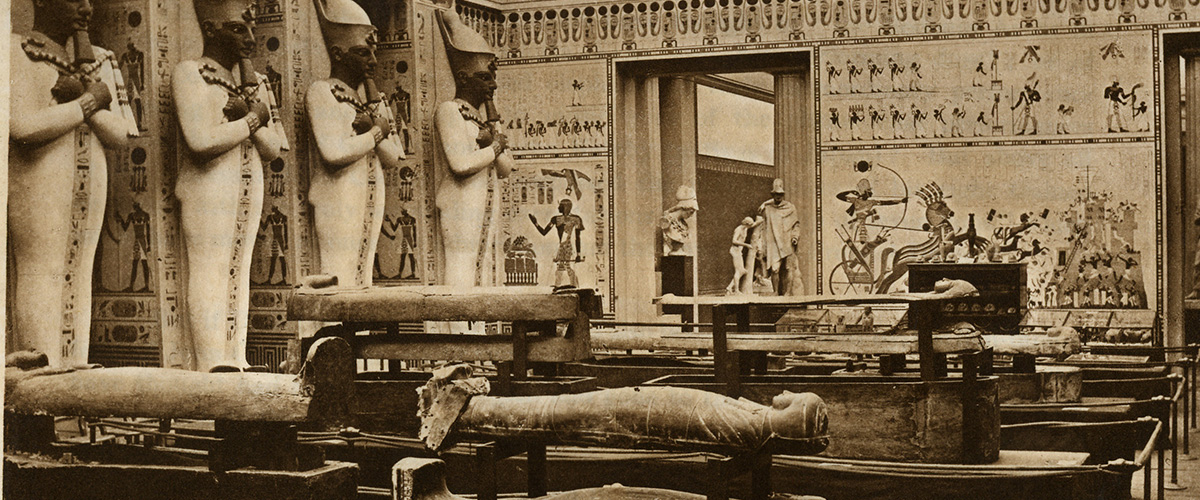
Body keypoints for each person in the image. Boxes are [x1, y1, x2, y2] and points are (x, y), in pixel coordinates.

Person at [9, 0, 137, 367]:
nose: (86, 8)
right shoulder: (15, 48)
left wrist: (87, 101)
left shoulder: (100, 58)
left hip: (91, 177)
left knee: (79, 273)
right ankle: (41, 374)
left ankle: (74, 369)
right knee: (41, 270)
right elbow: (22, 128)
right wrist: (87, 104)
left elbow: (119, 134)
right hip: (37, 178)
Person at [173, 0, 285, 371]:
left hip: (248, 186)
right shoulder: (190, 72)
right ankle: (210, 363)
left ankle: (235, 357)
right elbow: (200, 141)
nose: (250, 38)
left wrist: (252, 117)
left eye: (252, 29)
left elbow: (272, 149)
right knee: (210, 271)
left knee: (238, 269)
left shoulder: (255, 82)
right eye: (238, 28)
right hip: (207, 187)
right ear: (210, 29)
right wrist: (251, 122)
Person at [308, 0, 404, 292]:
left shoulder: (372, 100)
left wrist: (377, 130)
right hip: (337, 198)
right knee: (339, 276)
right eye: (363, 52)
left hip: (370, 194)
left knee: (363, 278)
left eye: (373, 52)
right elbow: (333, 152)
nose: (373, 60)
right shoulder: (322, 91)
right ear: (338, 53)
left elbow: (393, 157)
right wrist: (375, 133)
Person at [434, 8, 514, 289]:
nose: (492, 85)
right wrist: (494, 148)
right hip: (459, 202)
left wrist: (495, 139)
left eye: (492, 77)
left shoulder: (483, 118)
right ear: (464, 77)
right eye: (485, 78)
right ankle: (457, 320)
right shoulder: (449, 110)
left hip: (483, 200)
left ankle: (477, 320)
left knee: (482, 266)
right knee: (461, 267)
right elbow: (460, 163)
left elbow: (506, 168)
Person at [759, 178, 803, 295]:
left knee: (789, 268)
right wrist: (765, 203)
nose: (778, 196)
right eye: (775, 194)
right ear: (772, 195)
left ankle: (788, 292)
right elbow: (761, 217)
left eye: (780, 194)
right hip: (774, 243)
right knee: (775, 269)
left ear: (783, 195)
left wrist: (795, 237)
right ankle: (775, 292)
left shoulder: (790, 208)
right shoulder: (768, 209)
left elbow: (796, 225)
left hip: (787, 242)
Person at [529, 198, 586, 289]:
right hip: (562, 247)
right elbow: (544, 232)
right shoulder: (556, 219)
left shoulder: (576, 219)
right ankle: (558, 287)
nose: (558, 208)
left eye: (560, 206)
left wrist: (578, 254)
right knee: (560, 268)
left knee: (568, 268)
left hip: (569, 247)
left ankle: (573, 286)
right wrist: (535, 223)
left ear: (566, 207)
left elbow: (577, 238)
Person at [726, 216, 761, 295]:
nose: (751, 226)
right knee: (739, 271)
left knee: (742, 271)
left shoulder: (745, 228)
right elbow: (734, 240)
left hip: (739, 251)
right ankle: (736, 290)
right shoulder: (738, 229)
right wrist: (746, 245)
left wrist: (759, 221)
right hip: (735, 251)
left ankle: (729, 287)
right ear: (746, 223)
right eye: (749, 225)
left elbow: (753, 225)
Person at [661, 185, 699, 256]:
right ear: (685, 207)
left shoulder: (684, 224)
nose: (691, 215)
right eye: (691, 212)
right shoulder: (666, 220)